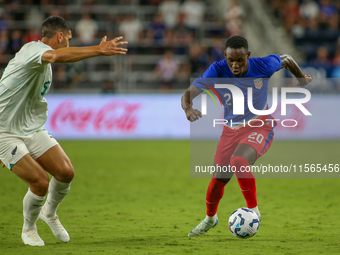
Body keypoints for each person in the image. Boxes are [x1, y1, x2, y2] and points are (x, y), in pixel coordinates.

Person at [0, 16, 127, 246]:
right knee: (39, 181)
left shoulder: (44, 66)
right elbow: (58, 55)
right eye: (68, 39)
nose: (69, 43)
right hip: (4, 131)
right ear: (60, 36)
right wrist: (98, 50)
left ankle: (49, 213)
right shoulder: (33, 49)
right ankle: (28, 229)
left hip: (30, 128)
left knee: (66, 172)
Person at [181, 35, 312, 236]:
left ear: (248, 56)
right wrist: (188, 109)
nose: (234, 65)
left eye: (239, 60)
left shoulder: (263, 65)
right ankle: (210, 219)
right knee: (218, 179)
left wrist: (301, 78)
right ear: (225, 56)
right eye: (230, 60)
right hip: (230, 130)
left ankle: (254, 210)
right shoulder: (216, 70)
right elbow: (187, 95)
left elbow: (285, 58)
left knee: (238, 161)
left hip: (259, 125)